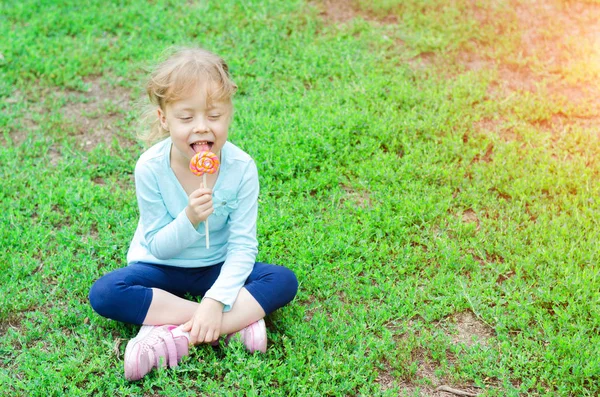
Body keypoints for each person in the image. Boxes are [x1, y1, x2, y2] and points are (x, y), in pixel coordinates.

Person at [88, 47, 298, 381]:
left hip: (215, 267)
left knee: (282, 280)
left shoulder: (242, 168)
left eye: (214, 116)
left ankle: (176, 332)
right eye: (186, 118)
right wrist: (189, 219)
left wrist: (216, 299)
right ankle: (235, 323)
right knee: (106, 293)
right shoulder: (150, 168)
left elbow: (243, 247)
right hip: (159, 268)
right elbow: (157, 246)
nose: (201, 128)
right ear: (164, 119)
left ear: (229, 115)